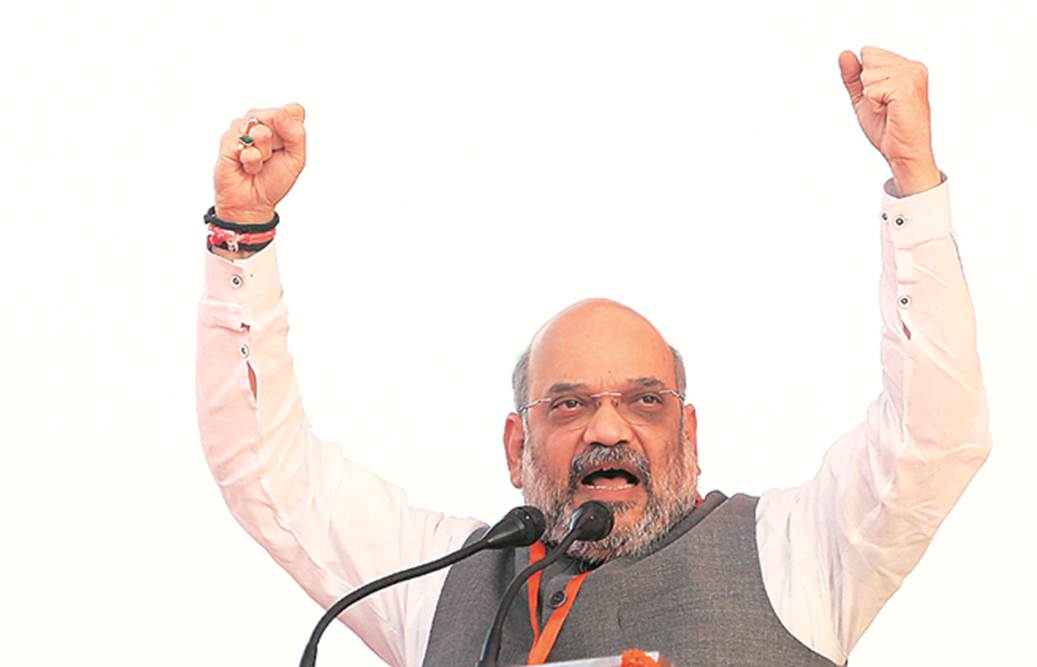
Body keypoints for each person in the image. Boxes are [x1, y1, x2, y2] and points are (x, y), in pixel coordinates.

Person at [196, 46, 991, 666]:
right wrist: (243, 237)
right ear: (517, 446)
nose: (608, 428)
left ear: (689, 434)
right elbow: (271, 478)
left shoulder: (797, 553)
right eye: (569, 404)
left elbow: (933, 439)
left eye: (644, 400)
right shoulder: (443, 585)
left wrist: (915, 184)